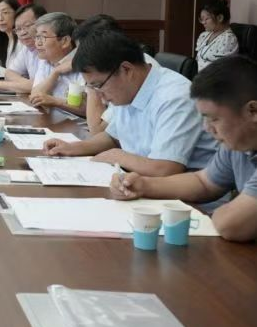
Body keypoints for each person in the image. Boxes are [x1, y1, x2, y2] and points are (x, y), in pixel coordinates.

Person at [110, 56, 257, 242]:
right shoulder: (237, 144)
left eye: (214, 119)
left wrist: (222, 214)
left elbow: (230, 225)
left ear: (253, 111)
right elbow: (204, 182)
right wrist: (143, 185)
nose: (207, 128)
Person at [44, 30, 218, 176]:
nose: (99, 96)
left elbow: (165, 168)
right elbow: (113, 137)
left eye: (98, 86)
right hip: (141, 181)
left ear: (126, 69)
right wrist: (73, 148)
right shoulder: (128, 89)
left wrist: (119, 156)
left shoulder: (174, 97)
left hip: (186, 200)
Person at [72, 15, 159, 135]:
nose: (81, 57)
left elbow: (97, 130)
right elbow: (112, 137)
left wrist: (92, 85)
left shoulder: (127, 78)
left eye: (83, 51)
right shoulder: (114, 74)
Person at [29, 12, 86, 115]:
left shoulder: (83, 62)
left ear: (65, 41)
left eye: (43, 37)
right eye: (37, 37)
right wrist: (55, 73)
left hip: (77, 123)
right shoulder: (46, 59)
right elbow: (35, 96)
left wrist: (55, 101)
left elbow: (88, 109)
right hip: (53, 120)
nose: (37, 43)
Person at [196, 0, 238, 71]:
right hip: (201, 76)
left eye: (206, 19)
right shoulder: (205, 35)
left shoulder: (228, 39)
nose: (203, 22)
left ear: (220, 18)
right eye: (201, 19)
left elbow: (221, 68)